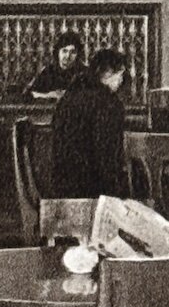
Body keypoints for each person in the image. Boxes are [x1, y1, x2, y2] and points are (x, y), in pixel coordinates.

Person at [49, 47, 128, 199]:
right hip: (93, 191)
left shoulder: (69, 96)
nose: (121, 81)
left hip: (63, 187)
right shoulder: (109, 103)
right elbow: (108, 157)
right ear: (108, 73)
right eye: (120, 75)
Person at [29, 31, 86, 100]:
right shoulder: (48, 71)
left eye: (73, 52)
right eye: (64, 51)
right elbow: (31, 93)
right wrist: (49, 95)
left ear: (78, 55)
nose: (68, 56)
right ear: (57, 52)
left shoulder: (84, 72)